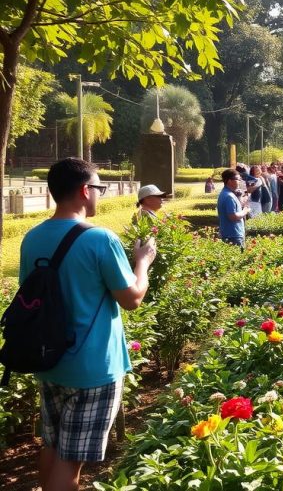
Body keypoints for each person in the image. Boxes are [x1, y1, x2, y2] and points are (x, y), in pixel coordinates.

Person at [22, 158, 157, 490]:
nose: (99, 194)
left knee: (52, 447)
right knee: (70, 462)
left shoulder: (32, 238)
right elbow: (132, 299)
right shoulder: (100, 239)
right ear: (85, 190)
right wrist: (143, 263)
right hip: (93, 368)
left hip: (49, 360)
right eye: (99, 188)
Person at [217, 169, 250, 247]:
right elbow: (233, 216)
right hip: (233, 235)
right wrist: (245, 211)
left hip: (230, 234)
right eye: (237, 179)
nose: (239, 181)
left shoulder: (226, 193)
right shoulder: (229, 196)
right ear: (229, 181)